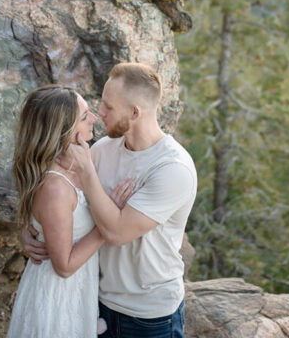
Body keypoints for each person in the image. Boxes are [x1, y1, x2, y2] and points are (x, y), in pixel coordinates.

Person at [23, 63, 197, 338]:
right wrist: (32, 229)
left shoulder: (173, 169)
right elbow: (55, 194)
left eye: (108, 107)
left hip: (148, 316)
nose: (99, 113)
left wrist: (90, 175)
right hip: (97, 302)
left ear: (135, 112)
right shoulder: (103, 150)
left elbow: (115, 233)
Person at [6, 85, 132, 337]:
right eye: (85, 116)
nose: (94, 118)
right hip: (56, 298)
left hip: (77, 293)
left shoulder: (78, 163)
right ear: (64, 130)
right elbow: (63, 265)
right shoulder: (55, 187)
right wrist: (110, 221)